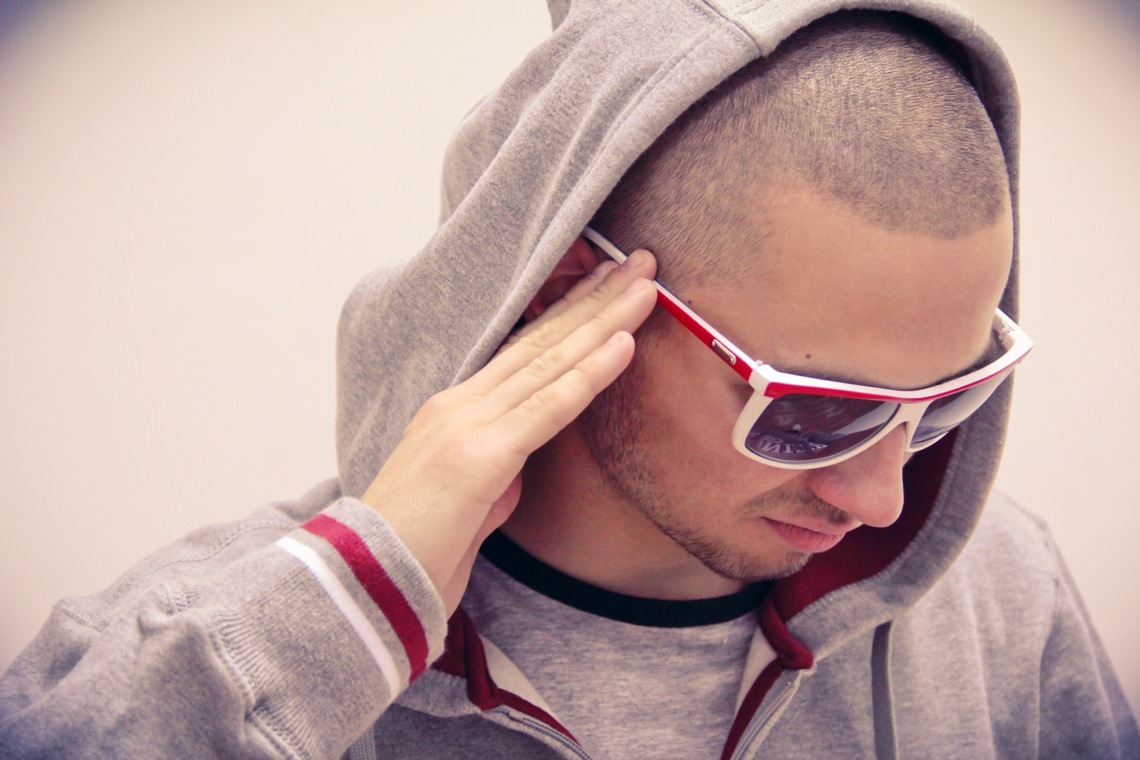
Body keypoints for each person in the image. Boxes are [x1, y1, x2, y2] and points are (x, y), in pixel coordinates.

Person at [1, 0, 1137, 757]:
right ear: (570, 292)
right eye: (813, 413)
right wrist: (344, 606)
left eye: (949, 397)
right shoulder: (260, 629)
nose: (884, 499)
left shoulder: (1002, 596)